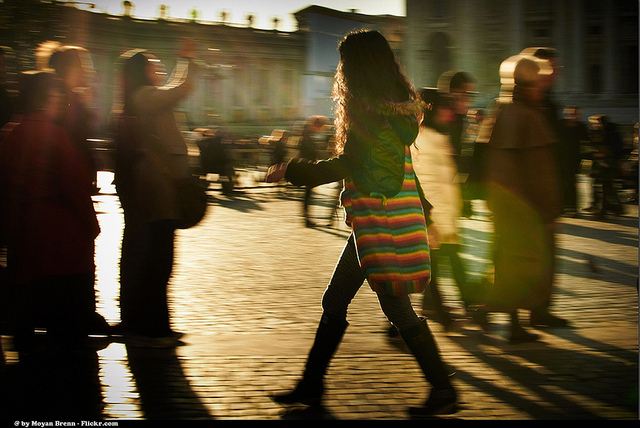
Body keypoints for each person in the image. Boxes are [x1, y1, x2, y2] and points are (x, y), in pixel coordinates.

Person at [265, 29, 457, 417]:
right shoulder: (395, 110)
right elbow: (403, 167)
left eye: (344, 64)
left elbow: (349, 164)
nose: (340, 71)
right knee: (335, 301)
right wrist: (425, 208)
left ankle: (442, 388)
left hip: (379, 222)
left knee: (397, 311)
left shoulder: (370, 112)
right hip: (381, 218)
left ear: (356, 68)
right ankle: (311, 385)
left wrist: (293, 170)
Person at [0, 70, 100, 356]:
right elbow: (75, 189)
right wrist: (92, 227)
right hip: (62, 246)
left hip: (25, 242)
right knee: (66, 335)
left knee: (27, 327)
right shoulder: (56, 138)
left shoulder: (12, 135)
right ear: (48, 98)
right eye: (57, 95)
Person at [113, 39, 198, 348]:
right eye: (152, 64)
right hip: (159, 189)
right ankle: (153, 326)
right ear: (141, 72)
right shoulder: (145, 96)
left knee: (159, 257)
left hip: (160, 187)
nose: (157, 68)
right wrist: (186, 59)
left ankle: (156, 322)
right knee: (159, 258)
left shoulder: (141, 97)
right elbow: (180, 90)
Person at [479, 55, 566, 343]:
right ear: (531, 86)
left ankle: (498, 313)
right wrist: (550, 210)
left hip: (502, 202)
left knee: (506, 260)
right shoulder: (529, 116)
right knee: (524, 264)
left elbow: (483, 154)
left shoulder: (499, 108)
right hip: (525, 207)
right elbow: (541, 173)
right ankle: (510, 321)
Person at [38, 42, 111, 335]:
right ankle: (75, 314)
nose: (89, 70)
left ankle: (75, 312)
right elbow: (71, 145)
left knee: (73, 251)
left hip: (70, 184)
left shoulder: (65, 98)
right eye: (84, 65)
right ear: (71, 69)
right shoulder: (66, 101)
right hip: (67, 186)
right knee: (76, 249)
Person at [411, 88, 469, 329]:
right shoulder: (423, 139)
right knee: (436, 268)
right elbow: (427, 180)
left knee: (441, 266)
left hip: (443, 212)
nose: (450, 112)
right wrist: (432, 215)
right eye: (444, 107)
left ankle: (450, 308)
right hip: (434, 213)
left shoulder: (440, 135)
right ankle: (453, 311)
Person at [437, 71, 477, 218]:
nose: (469, 100)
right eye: (465, 94)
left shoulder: (461, 119)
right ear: (452, 95)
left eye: (471, 95)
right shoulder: (442, 124)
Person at [560, 106, 589, 215]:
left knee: (572, 183)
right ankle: (564, 206)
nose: (573, 116)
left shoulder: (581, 127)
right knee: (563, 183)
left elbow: (585, 143)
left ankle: (572, 207)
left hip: (574, 159)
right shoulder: (561, 124)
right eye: (571, 114)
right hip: (562, 158)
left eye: (576, 114)